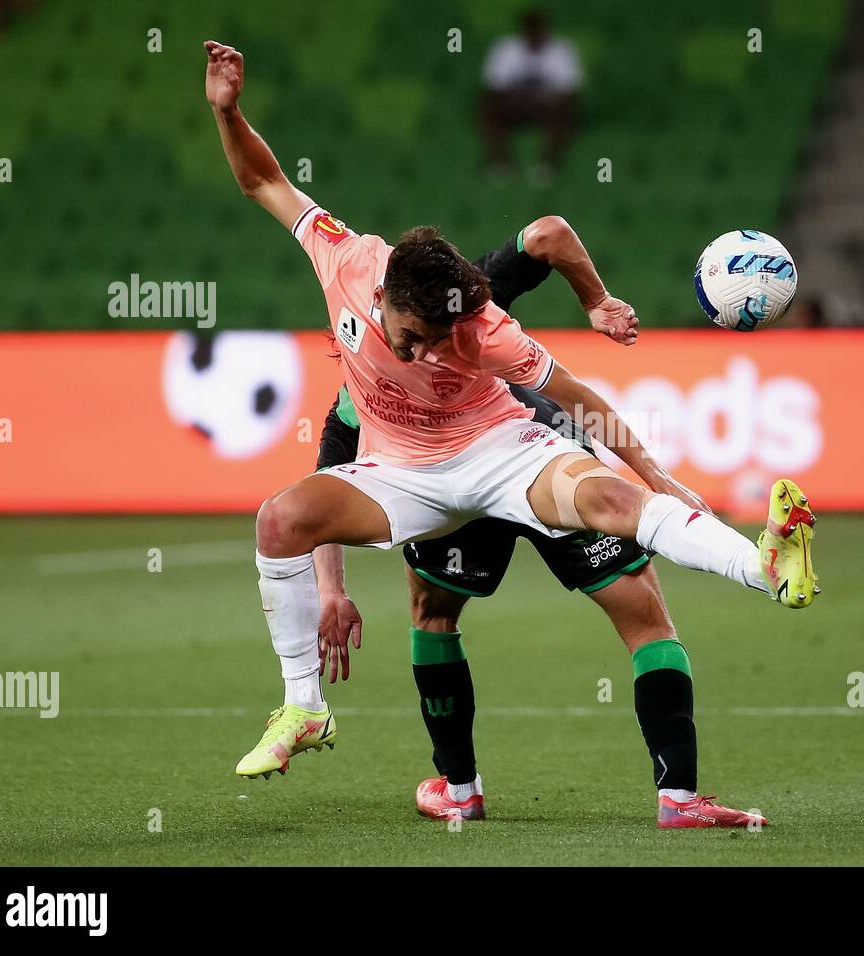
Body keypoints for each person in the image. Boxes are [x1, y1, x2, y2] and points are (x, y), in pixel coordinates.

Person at [203, 40, 818, 824]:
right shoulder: (348, 260)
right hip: (403, 475)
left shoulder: (482, 328)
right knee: (278, 519)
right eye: (411, 335)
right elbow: (263, 179)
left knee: (610, 503)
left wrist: (655, 475)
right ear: (382, 292)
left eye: (437, 337)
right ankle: (305, 708)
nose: (425, 352)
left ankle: (766, 569)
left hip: (498, 453)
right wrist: (228, 111)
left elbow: (579, 395)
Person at [314, 216, 762, 827]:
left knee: (433, 613)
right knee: (646, 620)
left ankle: (460, 789)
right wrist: (596, 302)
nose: (419, 350)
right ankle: (680, 798)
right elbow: (547, 235)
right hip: (538, 451)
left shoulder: (375, 375)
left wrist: (333, 590)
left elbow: (327, 490)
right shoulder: (462, 307)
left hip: (482, 465)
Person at [480, 9, 580, 184]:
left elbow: (569, 92)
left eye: (538, 31)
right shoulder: (505, 48)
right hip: (513, 105)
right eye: (530, 31)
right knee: (488, 108)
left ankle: (547, 164)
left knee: (566, 112)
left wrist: (541, 100)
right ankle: (500, 161)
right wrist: (521, 100)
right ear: (523, 31)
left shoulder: (562, 50)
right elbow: (494, 88)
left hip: (547, 106)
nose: (534, 35)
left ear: (546, 31)